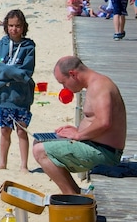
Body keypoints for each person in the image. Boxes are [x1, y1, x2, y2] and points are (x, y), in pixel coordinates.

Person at [34, 56, 127, 194]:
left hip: (105, 153)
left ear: (73, 74)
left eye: (63, 83)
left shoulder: (99, 86)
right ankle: (75, 192)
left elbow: (104, 122)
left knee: (40, 150)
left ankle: (71, 195)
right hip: (96, 145)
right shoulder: (95, 84)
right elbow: (97, 119)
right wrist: (77, 130)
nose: (64, 87)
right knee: (39, 140)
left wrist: (79, 135)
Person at [0, 9, 36, 171]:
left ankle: (24, 165)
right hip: (3, 96)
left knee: (21, 131)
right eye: (11, 26)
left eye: (17, 26)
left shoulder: (28, 47)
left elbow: (26, 72)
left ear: (23, 27)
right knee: (5, 130)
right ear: (6, 26)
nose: (14, 29)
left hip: (21, 96)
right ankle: (2, 163)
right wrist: (13, 71)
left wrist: (6, 71)